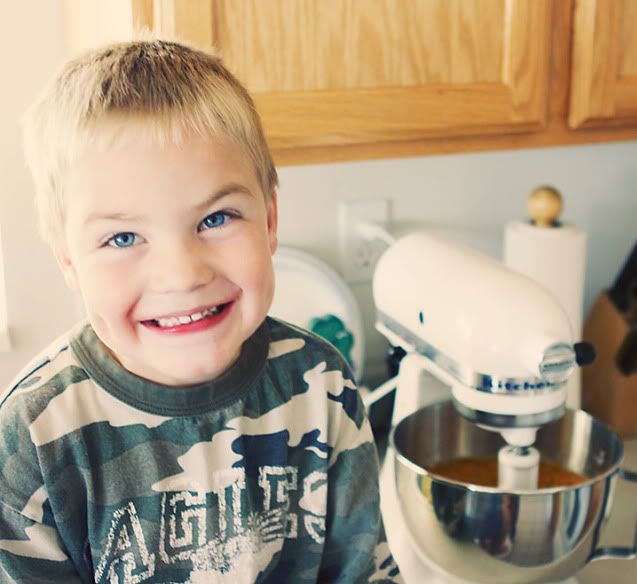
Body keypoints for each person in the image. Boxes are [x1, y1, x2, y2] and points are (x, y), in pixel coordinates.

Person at [0, 39, 401, 583]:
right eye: (123, 237)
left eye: (216, 218)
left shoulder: (322, 384)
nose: (183, 274)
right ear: (69, 262)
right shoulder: (33, 437)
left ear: (270, 219)